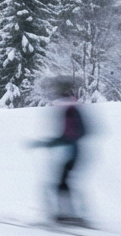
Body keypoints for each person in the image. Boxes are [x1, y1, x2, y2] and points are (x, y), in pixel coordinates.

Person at [33, 79, 90, 225]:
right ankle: (70, 214)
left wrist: (56, 142)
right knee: (64, 183)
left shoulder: (70, 110)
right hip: (73, 151)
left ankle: (68, 215)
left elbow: (72, 134)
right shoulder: (73, 108)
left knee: (61, 183)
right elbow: (72, 134)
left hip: (73, 152)